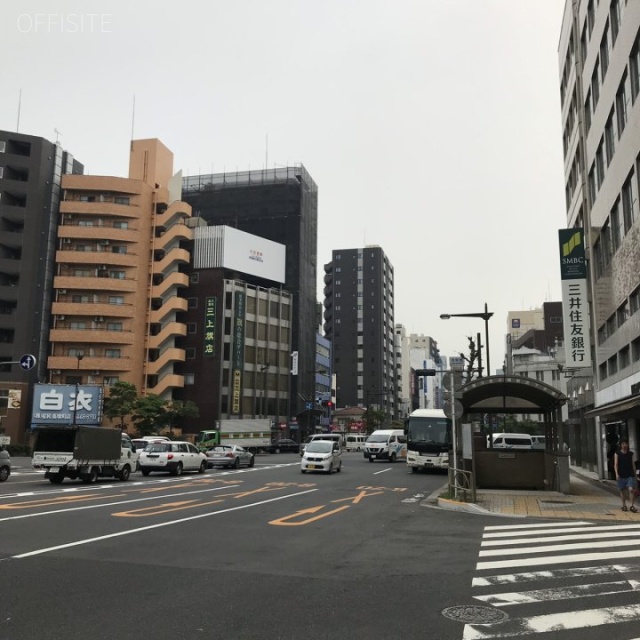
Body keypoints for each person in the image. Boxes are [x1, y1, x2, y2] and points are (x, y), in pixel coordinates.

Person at [614, 441, 637, 513]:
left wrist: (635, 475)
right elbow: (616, 464)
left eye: (626, 444)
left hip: (630, 474)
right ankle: (624, 505)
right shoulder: (617, 453)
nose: (624, 445)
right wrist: (617, 474)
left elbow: (633, 465)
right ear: (620, 445)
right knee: (622, 491)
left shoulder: (631, 454)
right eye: (623, 444)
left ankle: (632, 506)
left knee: (631, 489)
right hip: (621, 475)